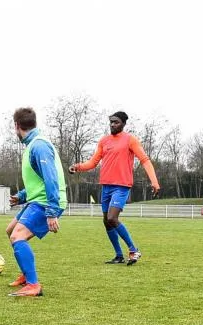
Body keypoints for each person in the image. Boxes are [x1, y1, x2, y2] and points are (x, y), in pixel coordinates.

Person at [69, 111, 161, 265]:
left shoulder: (130, 140)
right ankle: (119, 255)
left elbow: (144, 160)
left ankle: (134, 249)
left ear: (124, 124)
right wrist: (77, 167)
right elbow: (93, 162)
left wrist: (154, 181)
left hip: (122, 186)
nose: (112, 124)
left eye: (116, 122)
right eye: (111, 122)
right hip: (106, 187)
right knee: (106, 221)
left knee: (112, 218)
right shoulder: (104, 141)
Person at [6, 107, 67, 297]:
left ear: (17, 126)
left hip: (46, 202)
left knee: (18, 236)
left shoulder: (39, 146)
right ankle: (26, 276)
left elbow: (51, 179)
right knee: (11, 231)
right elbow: (39, 179)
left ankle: (33, 285)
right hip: (37, 200)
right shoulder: (32, 144)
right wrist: (22, 196)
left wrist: (51, 212)